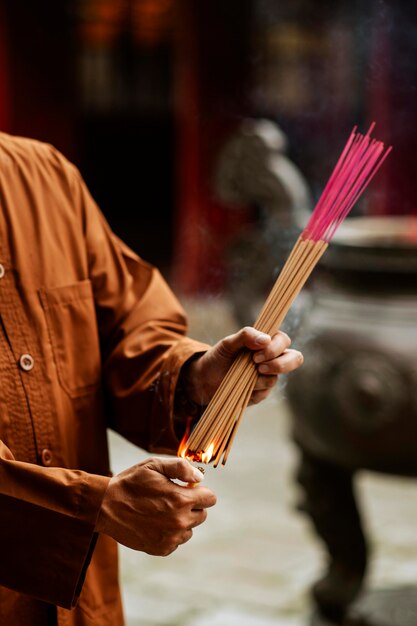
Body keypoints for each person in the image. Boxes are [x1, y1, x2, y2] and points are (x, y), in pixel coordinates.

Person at [0, 131, 304, 626]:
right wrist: (91, 506)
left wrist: (198, 376)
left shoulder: (42, 176)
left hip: (80, 607)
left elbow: (129, 328)